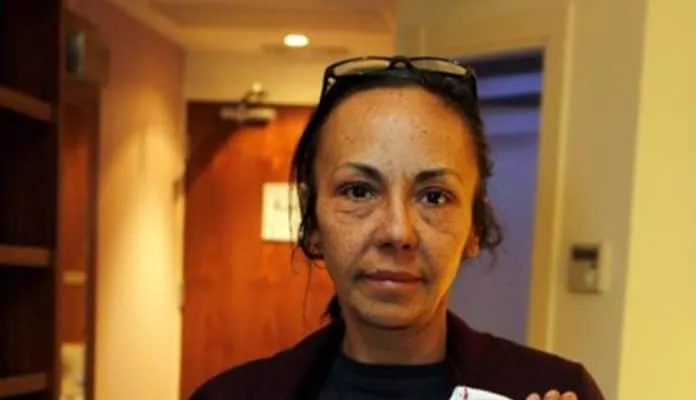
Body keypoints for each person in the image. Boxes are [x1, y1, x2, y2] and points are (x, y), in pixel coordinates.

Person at [189, 56, 605, 400]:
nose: (397, 232)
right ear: (311, 220)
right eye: (358, 191)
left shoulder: (555, 390)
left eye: (434, 196)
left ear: (474, 228)